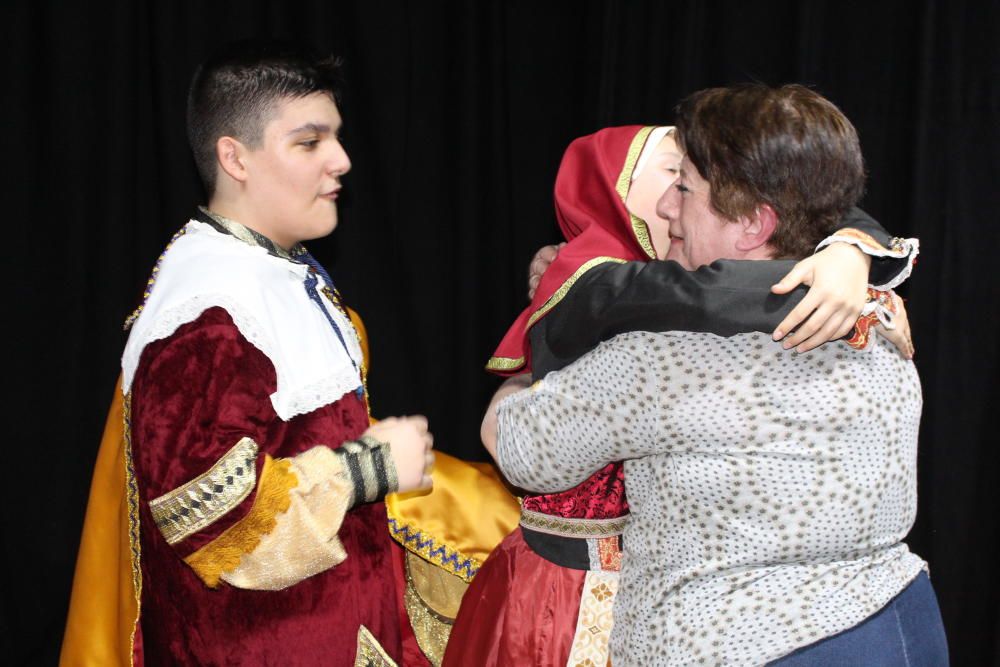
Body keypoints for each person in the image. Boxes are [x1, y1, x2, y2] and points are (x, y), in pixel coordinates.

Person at [493, 83, 946, 665]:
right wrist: (856, 250)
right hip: (901, 626)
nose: (664, 208)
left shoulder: (662, 360)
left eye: (683, 188)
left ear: (754, 225)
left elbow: (523, 451)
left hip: (748, 648)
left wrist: (518, 377)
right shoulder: (877, 314)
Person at [65, 42, 436, 666]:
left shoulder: (272, 274)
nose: (342, 161)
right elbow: (213, 521)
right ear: (234, 157)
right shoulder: (208, 317)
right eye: (309, 142)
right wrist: (367, 469)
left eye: (336, 138)